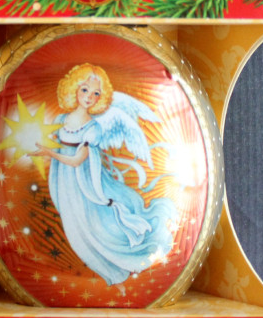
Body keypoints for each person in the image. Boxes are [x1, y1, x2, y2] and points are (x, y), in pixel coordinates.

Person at [32, 63, 177, 287]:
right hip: (65, 183)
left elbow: (76, 161)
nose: (89, 97)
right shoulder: (60, 120)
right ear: (73, 89)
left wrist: (49, 153)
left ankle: (119, 267)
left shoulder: (93, 129)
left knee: (93, 228)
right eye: (85, 90)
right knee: (73, 226)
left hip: (85, 185)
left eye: (96, 93)